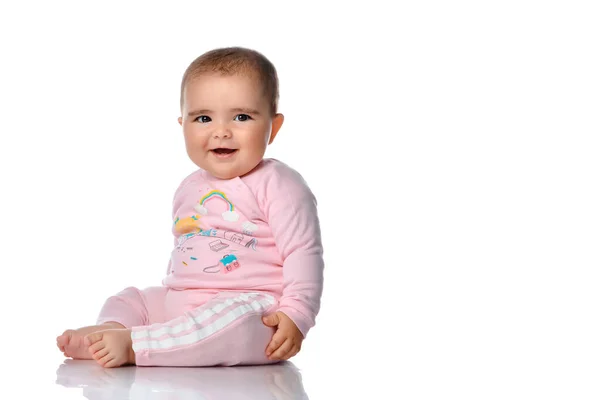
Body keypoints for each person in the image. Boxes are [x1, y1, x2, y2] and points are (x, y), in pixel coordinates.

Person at [56, 47, 324, 368]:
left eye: (241, 117)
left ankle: (136, 344)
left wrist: (296, 313)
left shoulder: (279, 182)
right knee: (132, 298)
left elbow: (303, 252)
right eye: (203, 118)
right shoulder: (189, 185)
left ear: (273, 127)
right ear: (183, 125)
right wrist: (169, 303)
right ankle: (112, 330)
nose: (221, 130)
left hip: (253, 309)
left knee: (226, 323)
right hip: (184, 302)